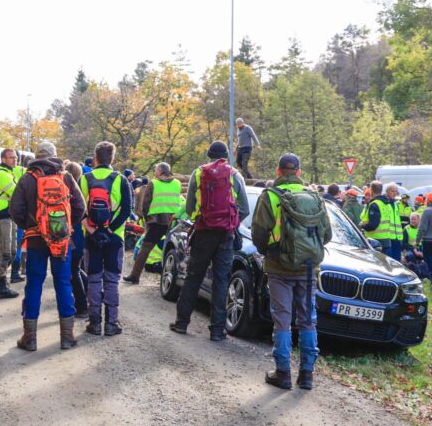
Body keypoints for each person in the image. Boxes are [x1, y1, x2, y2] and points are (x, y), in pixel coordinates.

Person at [251, 153, 331, 390]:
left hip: (278, 268)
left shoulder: (270, 196)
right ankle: (307, 375)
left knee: (282, 321)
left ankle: (283, 373)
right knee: (308, 321)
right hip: (307, 269)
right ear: (298, 172)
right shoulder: (315, 198)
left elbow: (258, 234)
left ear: (278, 172)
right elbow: (327, 235)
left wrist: (271, 251)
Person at [168, 142, 249, 340]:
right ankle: (217, 330)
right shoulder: (235, 175)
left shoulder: (198, 173)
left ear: (208, 155)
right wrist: (230, 223)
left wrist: (201, 219)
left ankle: (181, 323)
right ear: (226, 156)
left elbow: (189, 207)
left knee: (193, 277)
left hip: (203, 232)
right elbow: (245, 208)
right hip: (226, 236)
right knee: (221, 281)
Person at [10, 142, 86, 350]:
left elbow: (15, 209)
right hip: (62, 241)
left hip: (35, 240)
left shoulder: (28, 178)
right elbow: (81, 207)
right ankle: (67, 337)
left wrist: (30, 226)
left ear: (36, 156)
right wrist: (66, 227)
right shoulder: (66, 177)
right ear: (54, 156)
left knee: (34, 283)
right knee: (63, 283)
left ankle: (30, 338)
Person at [79, 141, 132, 336]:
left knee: (93, 280)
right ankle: (111, 323)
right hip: (114, 238)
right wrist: (109, 230)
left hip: (91, 237)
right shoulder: (120, 179)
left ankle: (94, 323)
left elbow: (77, 209)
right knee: (111, 280)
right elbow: (126, 210)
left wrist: (93, 230)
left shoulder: (85, 179)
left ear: (95, 157)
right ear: (112, 158)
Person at [125, 162, 182, 285]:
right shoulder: (177, 183)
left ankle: (135, 276)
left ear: (159, 171)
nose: (154, 172)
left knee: (145, 249)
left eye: (156, 170)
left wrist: (147, 220)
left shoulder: (153, 183)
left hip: (156, 221)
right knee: (172, 249)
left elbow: (145, 205)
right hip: (173, 222)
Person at [0, 149, 20, 299]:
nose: (15, 160)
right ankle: (1, 286)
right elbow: (16, 193)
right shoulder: (1, 174)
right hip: (1, 216)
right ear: (3, 159)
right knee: (5, 251)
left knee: (12, 251)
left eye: (16, 158)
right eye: (12, 158)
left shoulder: (8, 173)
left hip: (8, 215)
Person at [63, 161, 90, 318]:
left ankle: (81, 307)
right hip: (80, 234)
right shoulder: (81, 190)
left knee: (73, 271)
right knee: (76, 269)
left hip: (73, 234)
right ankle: (94, 293)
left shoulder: (68, 191)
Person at [360, 181, 402, 261]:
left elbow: (373, 224)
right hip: (387, 238)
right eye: (393, 191)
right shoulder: (386, 203)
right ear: (385, 191)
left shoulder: (379, 203)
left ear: (371, 190)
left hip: (378, 239)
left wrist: (363, 225)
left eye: (396, 191)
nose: (395, 193)